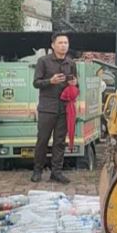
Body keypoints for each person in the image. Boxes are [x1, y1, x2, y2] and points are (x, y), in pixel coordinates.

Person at [31, 32, 77, 184]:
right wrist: (50, 81)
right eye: (60, 43)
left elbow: (76, 87)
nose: (63, 45)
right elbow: (36, 82)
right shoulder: (43, 61)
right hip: (47, 107)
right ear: (53, 45)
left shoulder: (71, 63)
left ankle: (56, 172)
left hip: (64, 108)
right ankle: (37, 170)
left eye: (66, 43)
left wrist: (73, 84)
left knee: (59, 141)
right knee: (42, 140)